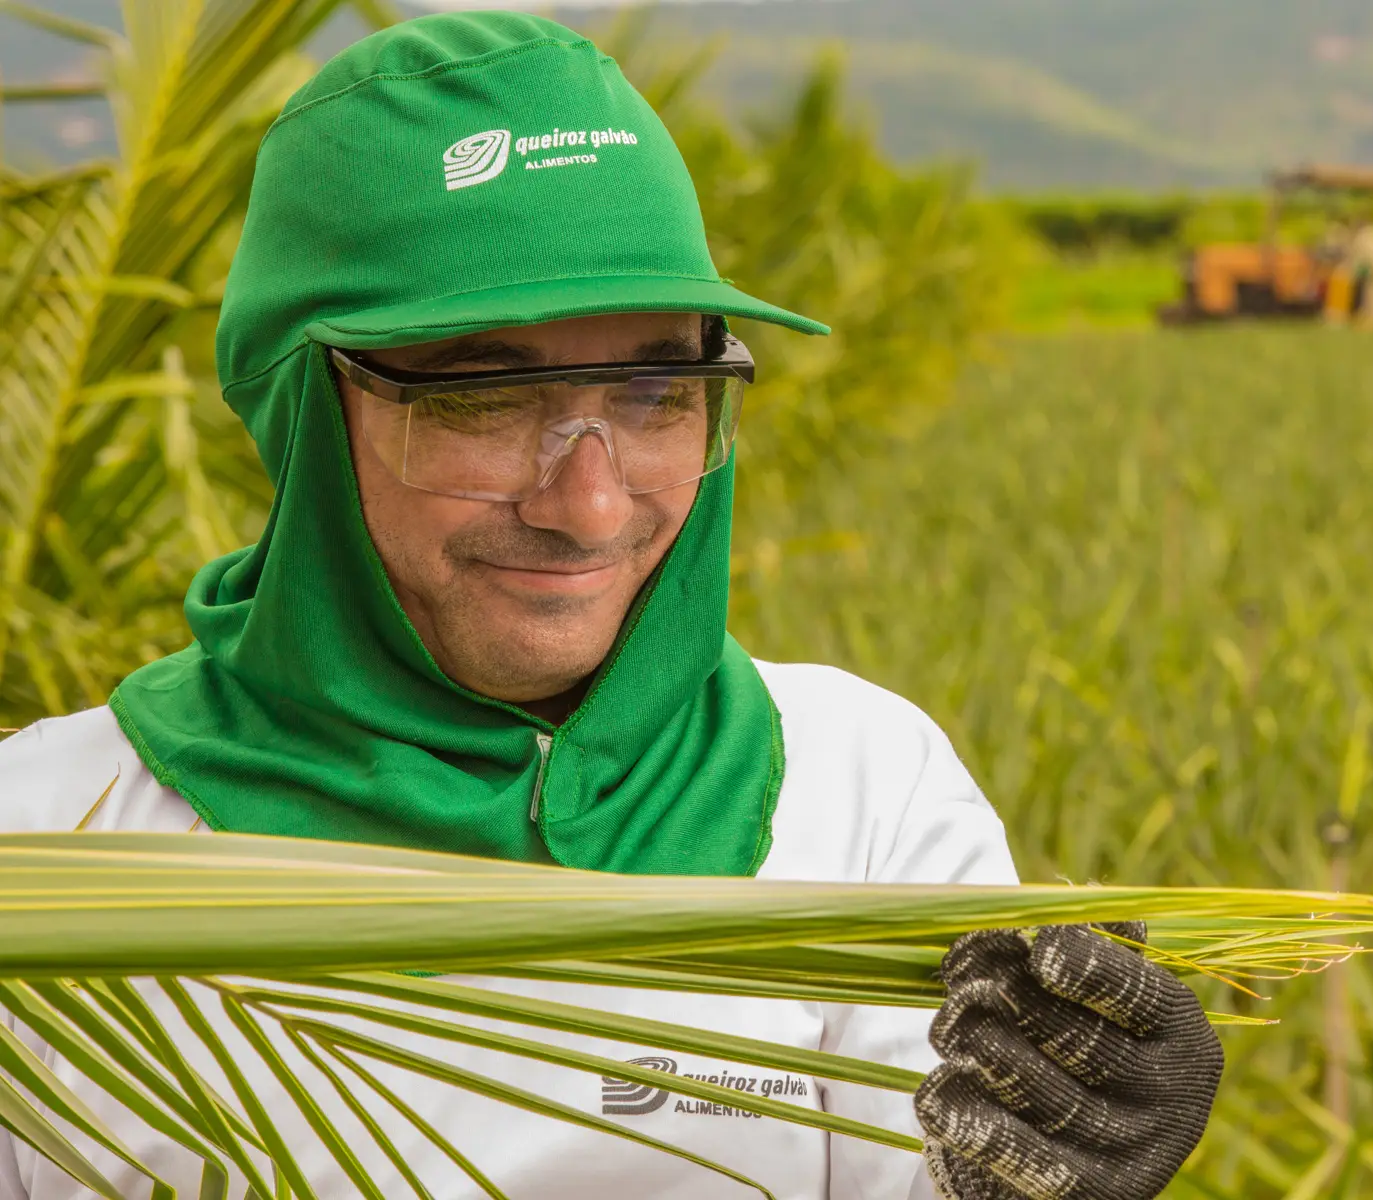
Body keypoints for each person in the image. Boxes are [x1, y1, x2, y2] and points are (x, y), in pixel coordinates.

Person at [0, 13, 1221, 1199]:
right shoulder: (51, 848)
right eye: (481, 400)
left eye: (656, 394)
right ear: (301, 407)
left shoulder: (862, 797)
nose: (588, 508)